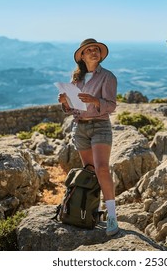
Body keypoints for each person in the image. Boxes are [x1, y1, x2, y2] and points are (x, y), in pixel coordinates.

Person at [58, 38, 119, 236]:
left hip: (100, 126)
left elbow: (111, 105)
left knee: (102, 169)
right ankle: (91, 210)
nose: (94, 52)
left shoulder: (108, 77)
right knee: (90, 171)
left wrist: (95, 100)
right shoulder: (76, 80)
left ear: (100, 55)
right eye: (89, 50)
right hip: (80, 129)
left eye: (96, 50)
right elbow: (72, 110)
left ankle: (111, 216)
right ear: (82, 56)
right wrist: (65, 103)